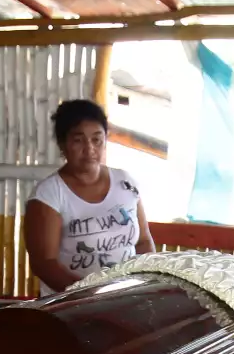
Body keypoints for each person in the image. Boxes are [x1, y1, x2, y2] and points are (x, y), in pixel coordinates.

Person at [24, 99, 155, 294]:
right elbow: (44, 264)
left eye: (96, 139)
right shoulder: (49, 195)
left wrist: (146, 283)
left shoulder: (125, 183)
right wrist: (89, 295)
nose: (89, 148)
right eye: (78, 140)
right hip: (71, 305)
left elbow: (143, 241)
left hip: (126, 298)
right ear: (62, 143)